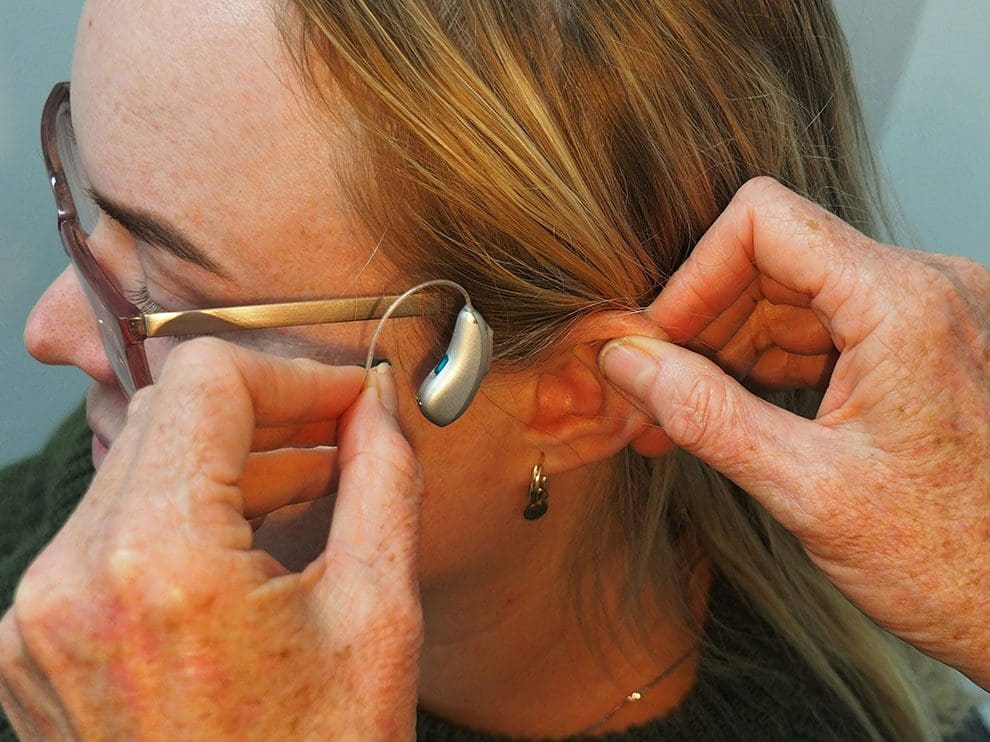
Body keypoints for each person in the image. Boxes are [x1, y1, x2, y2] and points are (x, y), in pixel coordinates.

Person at [0, 0, 987, 739]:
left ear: (583, 384)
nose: (49, 330)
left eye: (169, 289)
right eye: (88, 206)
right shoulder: (119, 505)